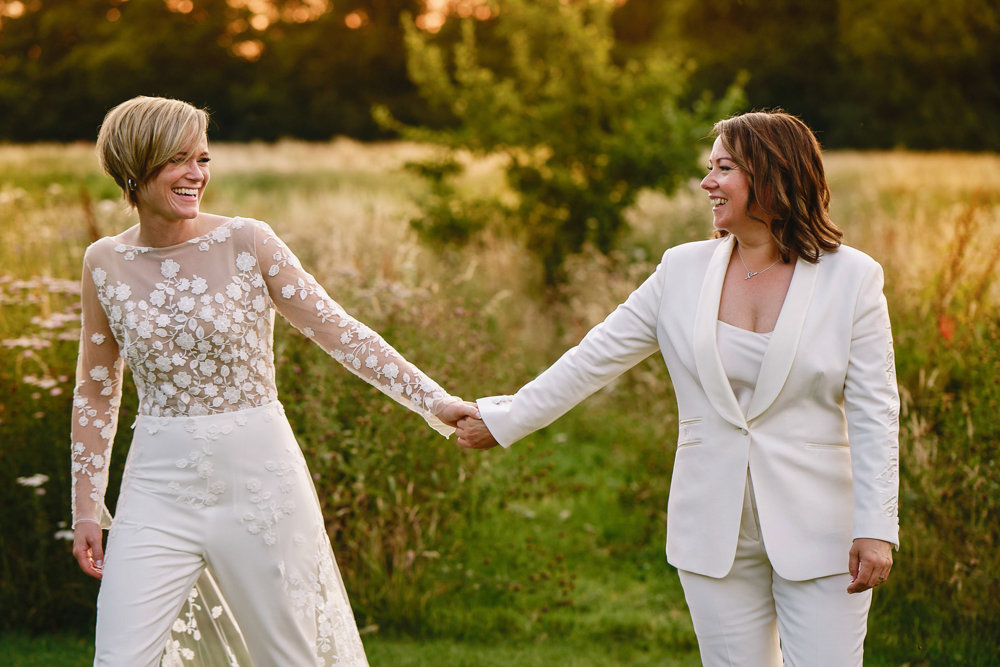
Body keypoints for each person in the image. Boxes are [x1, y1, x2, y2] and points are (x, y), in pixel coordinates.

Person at [455, 110, 899, 666]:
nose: (707, 182)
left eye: (724, 167)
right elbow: (594, 357)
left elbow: (875, 409)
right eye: (709, 168)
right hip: (712, 526)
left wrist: (877, 527)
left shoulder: (853, 278)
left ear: (772, 173)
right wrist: (502, 419)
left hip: (822, 529)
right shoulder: (680, 270)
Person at [70, 95, 478, 667]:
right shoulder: (102, 261)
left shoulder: (247, 241)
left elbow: (341, 332)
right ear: (135, 164)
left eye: (203, 159)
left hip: (259, 482)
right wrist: (87, 508)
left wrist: (435, 402)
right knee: (118, 658)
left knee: (289, 657)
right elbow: (95, 387)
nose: (197, 175)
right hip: (156, 489)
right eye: (179, 160)